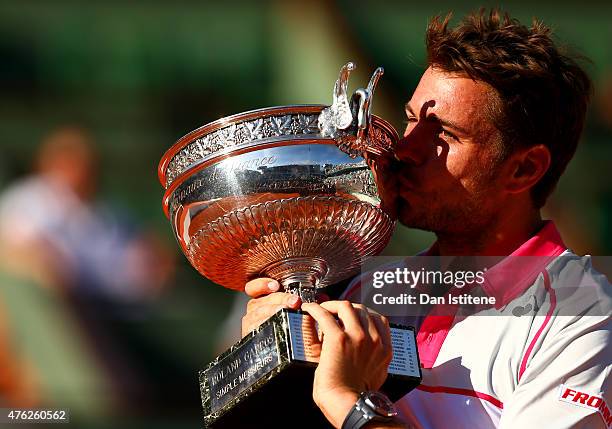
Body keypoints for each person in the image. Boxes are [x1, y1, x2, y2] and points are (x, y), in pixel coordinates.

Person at [240, 9, 611, 429]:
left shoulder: (583, 316)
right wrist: (271, 356)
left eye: (445, 135)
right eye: (412, 119)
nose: (407, 149)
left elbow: (342, 403)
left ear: (524, 170)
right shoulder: (363, 289)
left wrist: (349, 402)